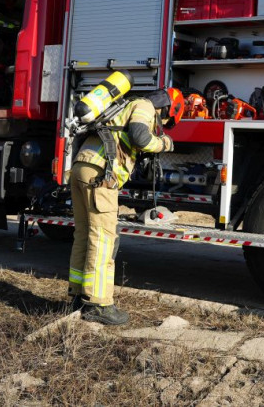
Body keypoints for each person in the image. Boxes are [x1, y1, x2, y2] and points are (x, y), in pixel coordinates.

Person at [67, 87, 185, 325]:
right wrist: (163, 143)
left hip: (82, 167)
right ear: (168, 108)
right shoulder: (145, 106)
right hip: (100, 175)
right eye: (166, 120)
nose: (162, 124)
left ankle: (78, 296)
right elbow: (140, 137)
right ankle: (98, 304)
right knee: (103, 238)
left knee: (84, 235)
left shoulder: (122, 106)